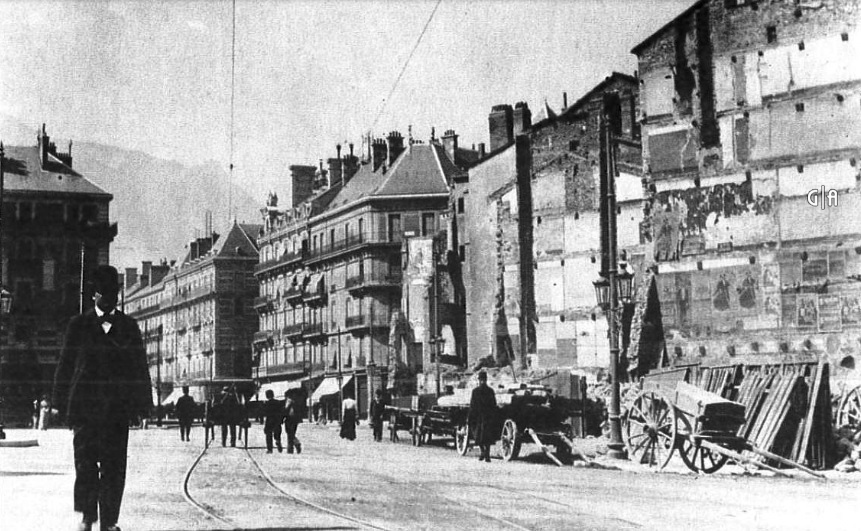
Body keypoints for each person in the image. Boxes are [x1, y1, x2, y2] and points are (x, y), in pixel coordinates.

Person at [53, 265, 152, 531]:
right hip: (84, 407)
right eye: (104, 294)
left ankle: (109, 522)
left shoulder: (129, 327)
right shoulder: (78, 325)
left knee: (114, 466)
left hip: (117, 410)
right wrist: (59, 403)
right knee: (84, 464)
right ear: (94, 296)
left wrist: (143, 405)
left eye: (114, 293)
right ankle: (87, 517)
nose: (110, 299)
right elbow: (65, 365)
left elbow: (139, 367)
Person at [469, 371, 497, 462]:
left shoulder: (489, 391)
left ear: (486, 380)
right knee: (479, 436)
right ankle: (482, 452)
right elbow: (472, 404)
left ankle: (487, 454)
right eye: (481, 380)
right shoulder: (476, 391)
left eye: (483, 380)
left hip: (486, 416)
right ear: (479, 380)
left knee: (486, 437)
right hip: (479, 416)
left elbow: (493, 404)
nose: (482, 382)